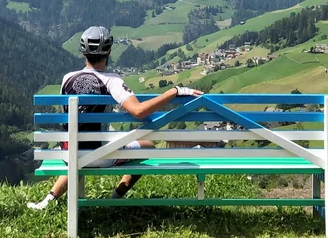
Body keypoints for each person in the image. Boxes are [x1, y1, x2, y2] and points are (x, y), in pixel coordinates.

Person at [27, 26, 203, 210]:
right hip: (99, 156)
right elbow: (139, 111)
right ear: (109, 51)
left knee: (78, 153)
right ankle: (114, 199)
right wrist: (174, 91)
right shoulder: (112, 81)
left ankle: (47, 201)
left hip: (68, 154)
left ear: (83, 53)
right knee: (148, 147)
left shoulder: (67, 78)